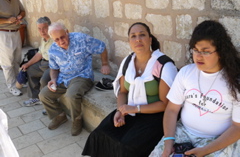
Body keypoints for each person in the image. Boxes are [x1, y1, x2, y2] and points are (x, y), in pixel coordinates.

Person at [82, 22, 178, 157]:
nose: (138, 39)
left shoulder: (163, 65)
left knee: (127, 146)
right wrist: (120, 111)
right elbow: (122, 92)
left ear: (150, 39)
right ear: (129, 41)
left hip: (155, 115)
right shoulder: (128, 61)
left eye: (142, 35)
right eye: (133, 36)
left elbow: (165, 104)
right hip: (130, 110)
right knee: (100, 134)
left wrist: (135, 109)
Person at [149, 20, 240, 157]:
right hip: (182, 133)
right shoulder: (186, 73)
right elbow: (172, 110)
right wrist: (168, 144)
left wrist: (205, 150)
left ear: (220, 52)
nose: (198, 56)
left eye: (205, 51)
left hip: (218, 140)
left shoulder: (235, 82)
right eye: (195, 50)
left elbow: (237, 127)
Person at [39, 22, 111, 136]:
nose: (61, 41)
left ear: (67, 32)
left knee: (71, 95)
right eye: (56, 39)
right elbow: (54, 68)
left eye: (62, 37)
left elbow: (101, 47)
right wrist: (53, 79)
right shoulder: (53, 49)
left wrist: (105, 64)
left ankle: (77, 119)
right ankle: (59, 116)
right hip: (64, 77)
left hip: (82, 76)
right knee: (44, 94)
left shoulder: (81, 39)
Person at [0, 0, 25, 96]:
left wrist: (20, 16)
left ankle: (17, 82)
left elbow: (23, 11)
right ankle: (11, 86)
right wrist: (7, 20)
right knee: (7, 62)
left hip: (16, 31)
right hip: (3, 33)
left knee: (16, 59)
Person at [21, 17, 53, 106]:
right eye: (39, 29)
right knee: (30, 70)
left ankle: (48, 104)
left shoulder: (55, 38)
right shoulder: (43, 39)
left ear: (49, 27)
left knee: (44, 80)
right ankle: (35, 98)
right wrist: (27, 64)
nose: (42, 31)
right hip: (44, 63)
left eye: (44, 28)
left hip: (53, 65)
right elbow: (40, 54)